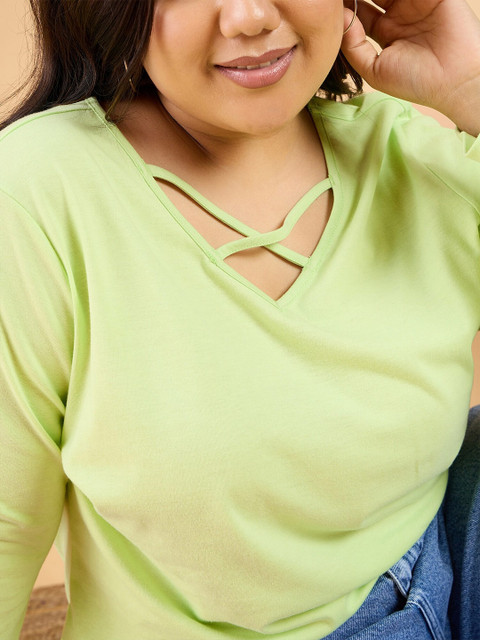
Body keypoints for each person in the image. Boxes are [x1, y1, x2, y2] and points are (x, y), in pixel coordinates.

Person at [1, 0, 480, 638]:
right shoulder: (41, 189)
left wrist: (473, 90)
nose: (249, 16)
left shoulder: (408, 151)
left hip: (446, 576)